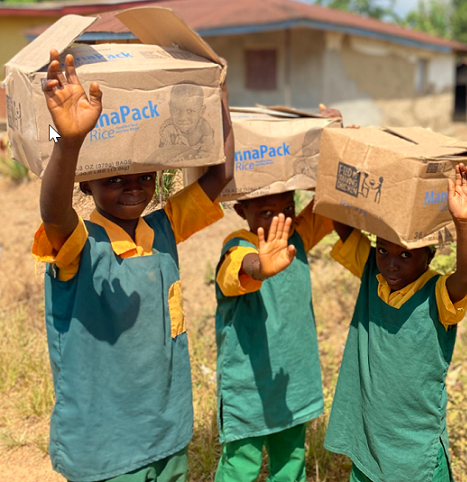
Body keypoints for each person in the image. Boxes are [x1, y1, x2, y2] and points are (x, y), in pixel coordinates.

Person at [33, 49, 234, 482]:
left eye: (144, 177)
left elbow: (220, 175)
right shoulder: (79, 244)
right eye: (114, 179)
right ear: (86, 182)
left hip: (167, 432)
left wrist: (216, 91)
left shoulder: (163, 228)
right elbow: (53, 212)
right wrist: (69, 141)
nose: (133, 188)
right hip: (106, 446)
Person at [324, 164, 467, 482]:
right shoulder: (373, 272)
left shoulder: (437, 293)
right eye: (383, 251)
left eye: (406, 256)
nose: (392, 265)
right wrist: (347, 160)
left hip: (414, 444)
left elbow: (465, 277)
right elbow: (344, 227)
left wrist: (462, 222)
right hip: (369, 438)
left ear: (430, 257)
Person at [213, 192, 334, 482]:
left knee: (291, 460)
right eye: (267, 212)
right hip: (249, 385)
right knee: (241, 464)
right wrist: (261, 268)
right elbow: (241, 268)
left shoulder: (298, 236)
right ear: (242, 210)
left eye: (289, 208)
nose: (281, 219)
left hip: (292, 380)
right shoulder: (238, 247)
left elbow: (330, 200)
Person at [159, 82, 215, 160]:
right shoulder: (168, 129)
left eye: (190, 111)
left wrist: (204, 153)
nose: (183, 117)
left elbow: (210, 151)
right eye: (176, 110)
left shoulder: (204, 127)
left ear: (201, 111)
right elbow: (161, 155)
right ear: (170, 108)